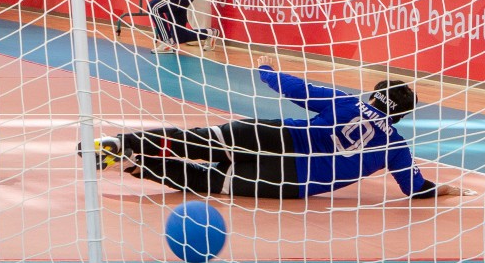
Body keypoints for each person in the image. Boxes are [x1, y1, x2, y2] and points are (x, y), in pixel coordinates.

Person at [94, 60, 454, 201]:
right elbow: (416, 189)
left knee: (204, 139)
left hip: (280, 135)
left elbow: (297, 89)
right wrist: (449, 190)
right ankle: (134, 165)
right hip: (294, 180)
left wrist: (266, 70)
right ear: (401, 117)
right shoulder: (396, 146)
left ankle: (122, 143)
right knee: (212, 181)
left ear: (374, 93)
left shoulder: (348, 102)